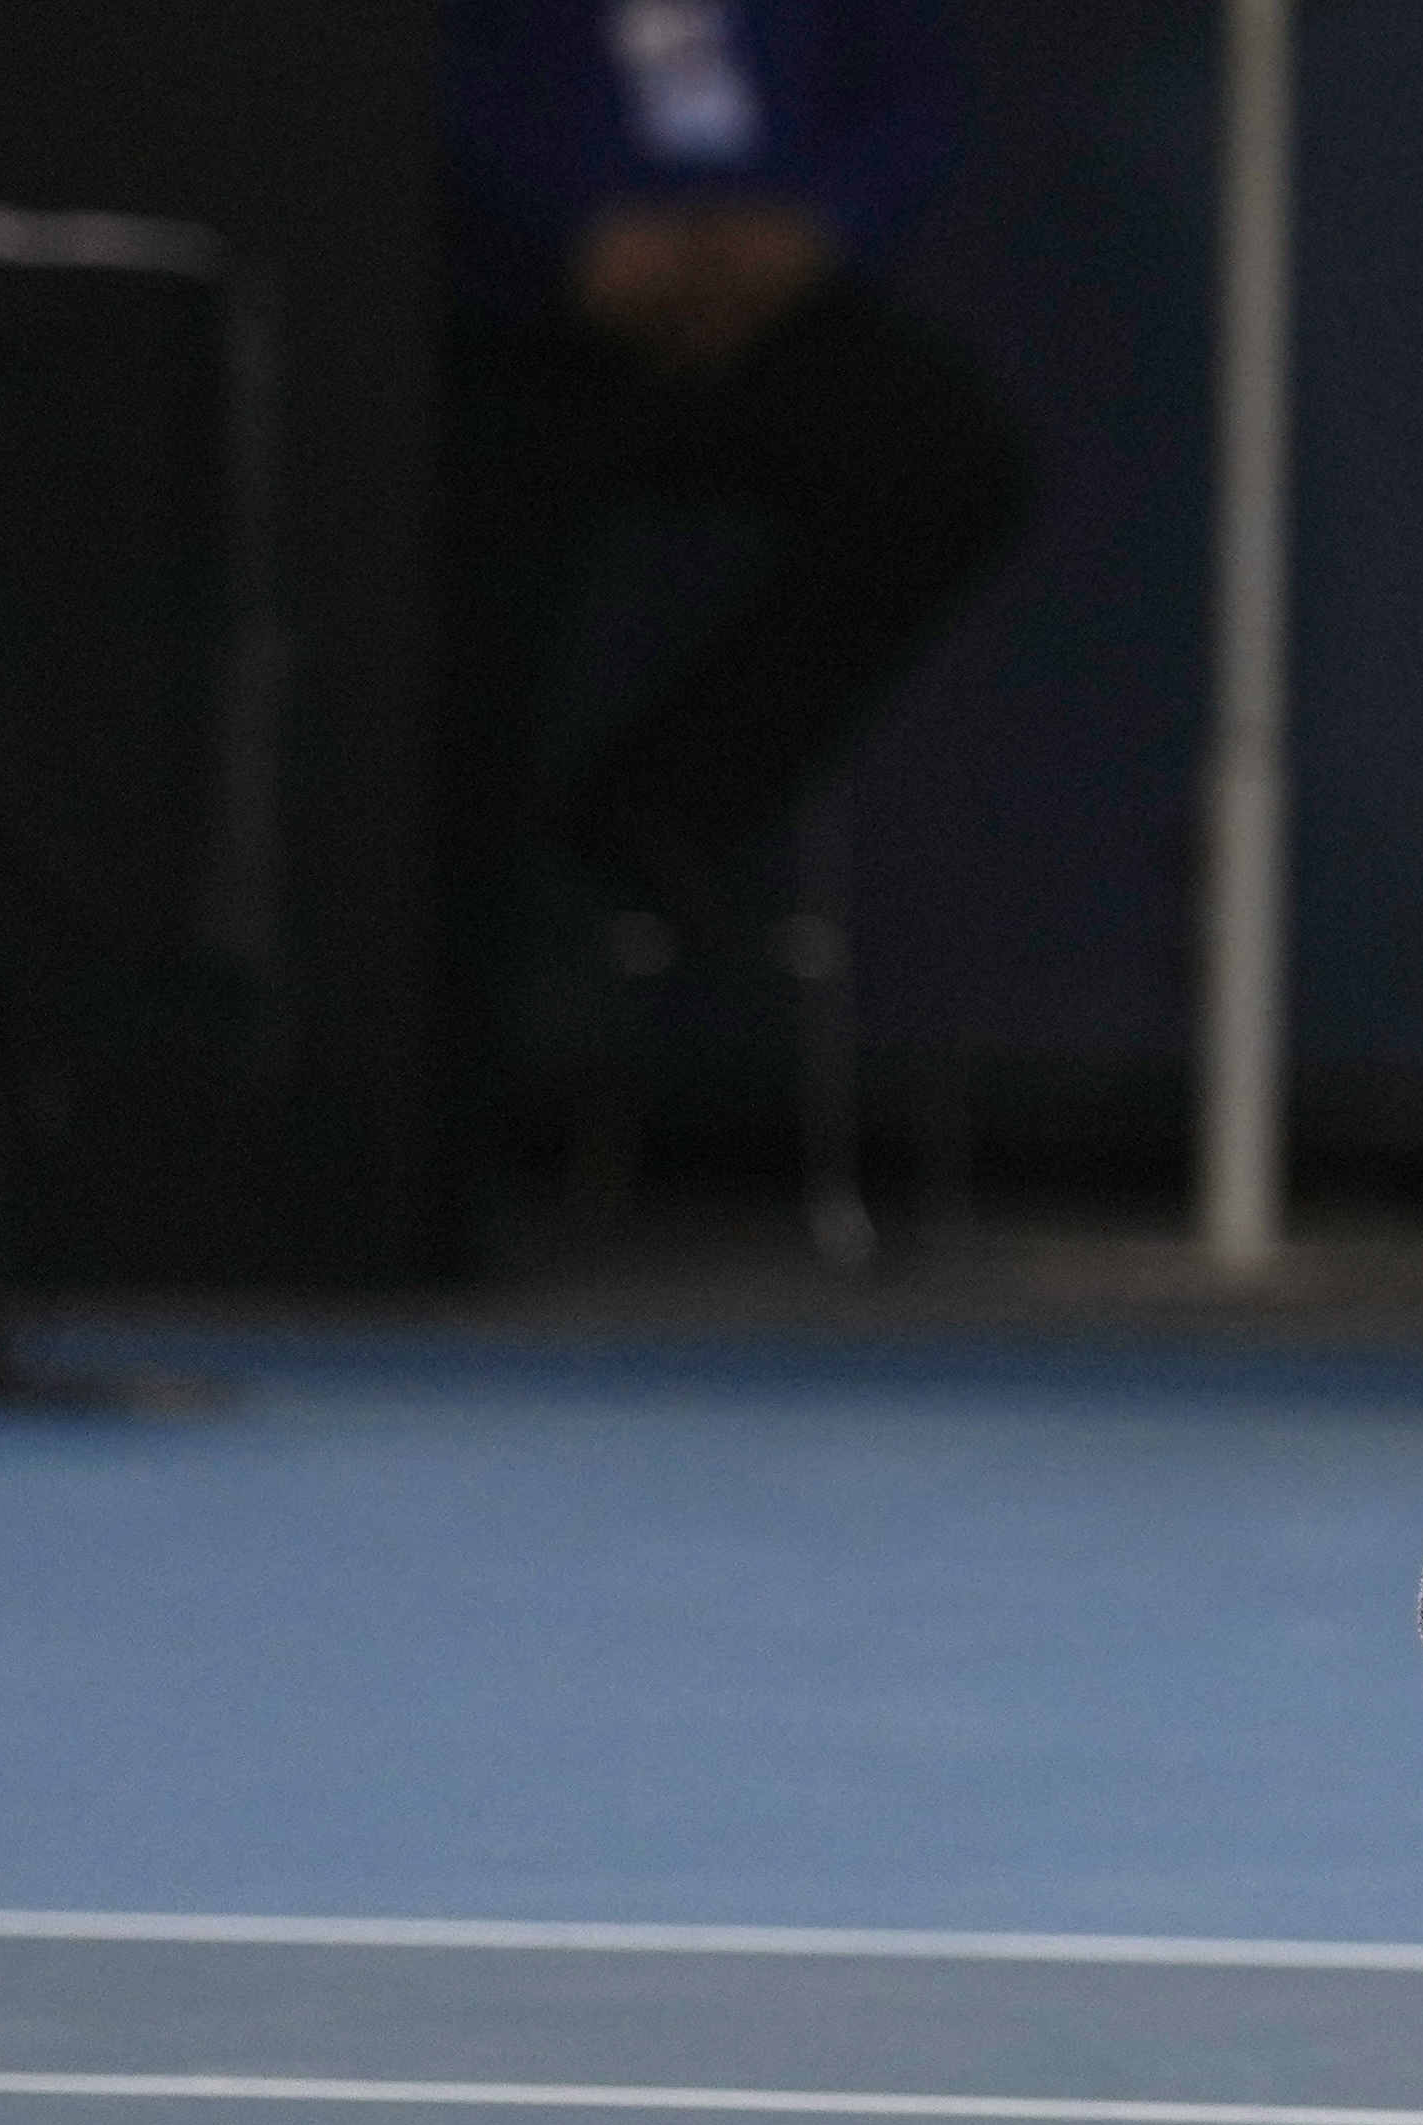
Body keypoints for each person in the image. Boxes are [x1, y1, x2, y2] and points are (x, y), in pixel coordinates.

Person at [430, 0, 1028, 1254]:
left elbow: (902, 91)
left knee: (940, 461)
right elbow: (433, 82)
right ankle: (436, 1154)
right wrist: (568, 238)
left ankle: (665, 801)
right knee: (451, 639)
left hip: (774, 299)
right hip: (516, 317)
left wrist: (806, 236)